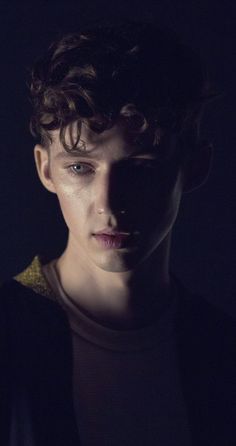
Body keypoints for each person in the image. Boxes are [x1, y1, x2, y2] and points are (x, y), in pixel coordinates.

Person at [0, 21, 235, 446]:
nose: (108, 203)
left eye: (141, 167)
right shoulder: (9, 336)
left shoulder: (220, 351)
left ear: (195, 167)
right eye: (80, 167)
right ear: (45, 169)